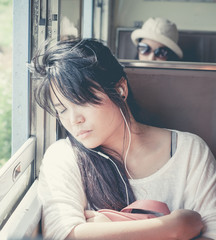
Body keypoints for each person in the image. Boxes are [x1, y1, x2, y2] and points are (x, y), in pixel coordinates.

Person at [31, 39, 216, 239]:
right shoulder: (64, 157)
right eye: (62, 110)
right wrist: (173, 227)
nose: (74, 120)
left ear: (120, 89)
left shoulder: (189, 151)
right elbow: (63, 235)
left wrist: (106, 228)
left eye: (82, 101)